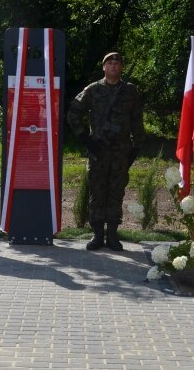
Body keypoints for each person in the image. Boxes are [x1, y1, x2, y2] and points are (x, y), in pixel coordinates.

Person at [67, 52, 145, 251]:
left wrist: (136, 147)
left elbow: (137, 120)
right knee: (97, 191)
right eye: (109, 63)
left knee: (116, 192)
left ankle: (112, 235)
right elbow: (73, 113)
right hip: (98, 151)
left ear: (121, 67)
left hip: (120, 152)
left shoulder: (130, 91)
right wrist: (86, 139)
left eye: (117, 63)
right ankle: (97, 235)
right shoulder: (93, 90)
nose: (113, 66)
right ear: (103, 67)